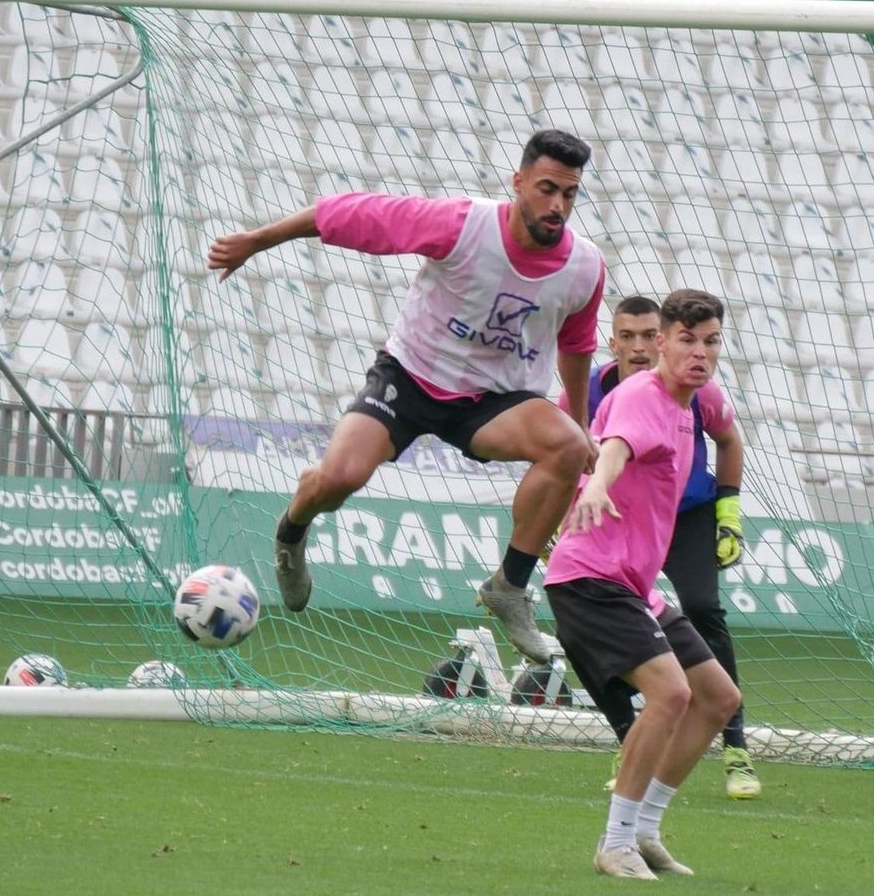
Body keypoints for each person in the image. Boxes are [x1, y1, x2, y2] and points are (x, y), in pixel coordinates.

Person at [206, 129, 604, 665]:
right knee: (339, 478)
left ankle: (509, 588)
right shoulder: (461, 224)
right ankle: (292, 530)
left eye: (569, 194)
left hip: (495, 400)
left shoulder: (584, 266)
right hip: (412, 377)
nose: (557, 205)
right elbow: (350, 213)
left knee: (567, 446)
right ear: (518, 182)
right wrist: (257, 240)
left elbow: (577, 345)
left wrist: (581, 423)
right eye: (547, 189)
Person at [545, 288, 743, 880]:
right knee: (671, 694)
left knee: (719, 697)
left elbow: (725, 441)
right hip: (590, 577)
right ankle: (615, 843)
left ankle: (645, 831)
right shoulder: (643, 396)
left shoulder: (688, 407)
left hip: (631, 584)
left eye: (710, 342)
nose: (700, 353)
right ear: (662, 344)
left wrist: (727, 511)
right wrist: (598, 485)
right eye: (687, 340)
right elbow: (615, 446)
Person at [569, 294, 760, 800]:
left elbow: (730, 440)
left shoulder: (698, 391)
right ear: (613, 343)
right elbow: (582, 452)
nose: (637, 347)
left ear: (658, 340)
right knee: (590, 629)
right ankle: (630, 741)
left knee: (702, 608)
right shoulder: (593, 392)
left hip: (686, 515)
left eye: (644, 336)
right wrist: (573, 508)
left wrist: (728, 514)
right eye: (626, 337)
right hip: (621, 524)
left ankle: (735, 747)